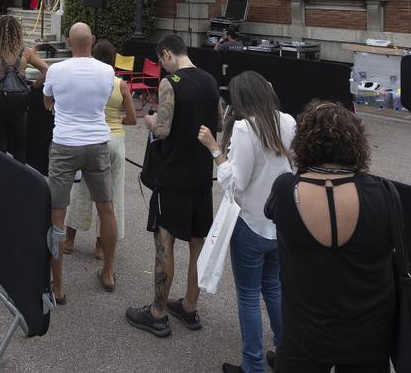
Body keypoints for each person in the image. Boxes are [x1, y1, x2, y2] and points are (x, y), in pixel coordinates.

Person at [264, 102, 394, 373]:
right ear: (356, 144)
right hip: (368, 333)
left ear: (304, 144)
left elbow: (271, 212)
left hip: (304, 333)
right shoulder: (382, 193)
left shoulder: (287, 190)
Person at [198, 72, 297, 373]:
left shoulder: (244, 128)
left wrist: (214, 149)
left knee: (249, 295)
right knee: (274, 288)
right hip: (279, 222)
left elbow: (236, 182)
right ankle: (286, 351)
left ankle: (252, 364)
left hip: (250, 222)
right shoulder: (289, 121)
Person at [126, 33, 221, 338]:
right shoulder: (208, 80)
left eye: (162, 61)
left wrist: (151, 121)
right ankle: (190, 306)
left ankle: (158, 312)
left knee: (164, 241)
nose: (163, 68)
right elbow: (218, 122)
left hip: (173, 176)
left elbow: (163, 129)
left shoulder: (171, 82)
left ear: (166, 54)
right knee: (196, 244)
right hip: (201, 176)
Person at [42, 22, 118, 303]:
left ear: (68, 41)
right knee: (106, 208)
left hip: (65, 143)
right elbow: (105, 98)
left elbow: (47, 100)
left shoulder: (56, 70)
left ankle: (58, 285)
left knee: (57, 213)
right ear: (93, 41)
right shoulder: (107, 70)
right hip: (97, 141)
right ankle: (108, 272)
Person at [63, 40, 137, 259]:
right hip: (114, 140)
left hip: (91, 138)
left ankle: (69, 240)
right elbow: (132, 119)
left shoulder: (86, 81)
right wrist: (116, 121)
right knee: (110, 195)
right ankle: (100, 246)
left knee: (81, 191)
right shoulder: (120, 84)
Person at [0, 14, 48, 162]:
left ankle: (0, 179)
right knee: (20, 147)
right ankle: (19, 179)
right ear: (18, 32)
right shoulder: (26, 52)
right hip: (20, 103)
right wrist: (33, 88)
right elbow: (47, 70)